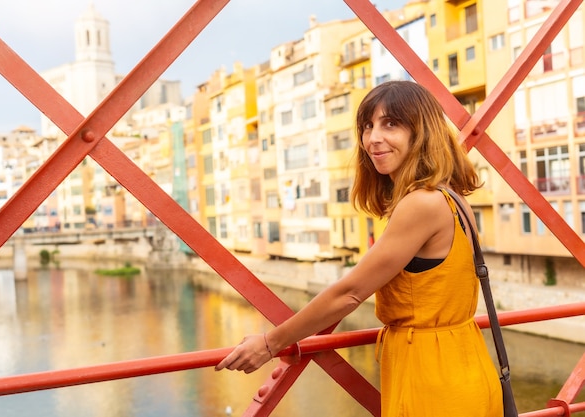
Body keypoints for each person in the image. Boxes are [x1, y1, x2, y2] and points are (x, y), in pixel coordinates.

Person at [215, 80, 503, 416]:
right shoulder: (451, 197)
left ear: (422, 131)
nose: (372, 138)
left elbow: (350, 293)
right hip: (464, 364)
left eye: (390, 124)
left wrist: (270, 343)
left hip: (432, 380)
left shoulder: (420, 204)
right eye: (367, 126)